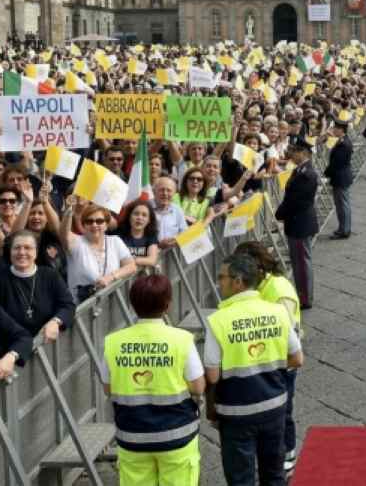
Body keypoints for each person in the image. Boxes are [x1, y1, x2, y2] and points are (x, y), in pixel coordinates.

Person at [204, 254, 303, 486]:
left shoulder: (218, 320)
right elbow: (297, 359)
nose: (219, 282)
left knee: (240, 479)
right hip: (274, 406)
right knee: (274, 475)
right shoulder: (277, 312)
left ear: (238, 281)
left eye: (222, 277)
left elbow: (212, 375)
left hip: (235, 412)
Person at [101, 274, 204, 486]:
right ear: (167, 305)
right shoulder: (182, 339)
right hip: (177, 436)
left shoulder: (113, 342)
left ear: (133, 305)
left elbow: (108, 388)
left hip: (132, 437)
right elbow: (198, 387)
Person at [234, 241, 302, 472]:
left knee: (283, 411)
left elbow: (287, 334)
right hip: (265, 360)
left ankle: (288, 455)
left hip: (280, 364)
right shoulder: (261, 286)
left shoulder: (279, 291)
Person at [0, 230, 74, 343]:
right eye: (17, 248)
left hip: (48, 344)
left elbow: (67, 305)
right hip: (11, 347)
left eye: (27, 248)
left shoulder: (50, 275)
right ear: (10, 251)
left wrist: (56, 321)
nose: (22, 252)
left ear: (36, 252)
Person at [61, 200, 137, 303]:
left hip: (111, 304)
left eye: (99, 221)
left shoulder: (115, 241)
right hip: (82, 307)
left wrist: (111, 277)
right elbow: (64, 233)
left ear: (106, 224)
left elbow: (131, 266)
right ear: (83, 225)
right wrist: (69, 211)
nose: (94, 224)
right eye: (89, 221)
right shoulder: (76, 242)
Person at [274, 139, 318, 309]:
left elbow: (295, 201)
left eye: (294, 151)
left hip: (299, 223)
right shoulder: (300, 170)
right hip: (297, 222)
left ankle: (305, 297)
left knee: (301, 263)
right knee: (299, 261)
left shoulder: (306, 174)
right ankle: (303, 294)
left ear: (303, 153)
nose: (291, 154)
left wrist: (280, 213)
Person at [325, 119, 353, 240]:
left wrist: (326, 173)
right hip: (341, 176)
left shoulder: (343, 144)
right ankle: (343, 228)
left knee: (342, 205)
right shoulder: (343, 141)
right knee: (342, 204)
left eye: (335, 128)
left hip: (340, 177)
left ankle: (344, 230)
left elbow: (336, 163)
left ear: (341, 129)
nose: (333, 130)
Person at [116, 200, 160, 270]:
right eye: (136, 214)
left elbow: (152, 260)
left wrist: (129, 261)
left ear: (149, 220)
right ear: (129, 216)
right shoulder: (119, 234)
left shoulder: (151, 236)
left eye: (144, 215)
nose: (139, 218)